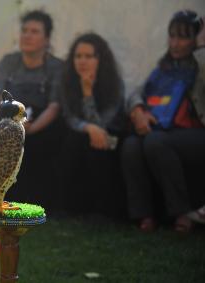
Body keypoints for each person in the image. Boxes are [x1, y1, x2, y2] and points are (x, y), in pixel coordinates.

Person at [121, 10, 205, 233]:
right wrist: (138, 110)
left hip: (195, 133)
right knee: (131, 145)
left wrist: (201, 48)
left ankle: (182, 212)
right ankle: (144, 214)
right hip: (165, 128)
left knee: (156, 142)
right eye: (172, 36)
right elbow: (138, 92)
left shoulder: (200, 65)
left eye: (184, 37)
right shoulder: (165, 66)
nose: (176, 44)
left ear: (197, 39)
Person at [0, 10, 64, 208]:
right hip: (9, 120)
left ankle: (37, 201)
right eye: (24, 31)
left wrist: (30, 127)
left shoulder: (57, 67)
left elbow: (55, 106)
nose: (27, 35)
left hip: (42, 124)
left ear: (46, 39)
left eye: (34, 31)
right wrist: (2, 123)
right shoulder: (8, 62)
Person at [59, 33, 127, 218]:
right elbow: (70, 117)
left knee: (97, 142)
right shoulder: (67, 81)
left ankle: (102, 210)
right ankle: (72, 208)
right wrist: (88, 128)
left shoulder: (114, 83)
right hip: (83, 133)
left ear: (100, 59)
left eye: (89, 56)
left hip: (112, 136)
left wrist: (88, 93)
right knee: (73, 140)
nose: (82, 61)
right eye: (78, 56)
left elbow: (103, 124)